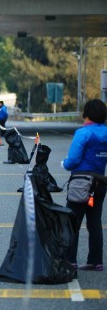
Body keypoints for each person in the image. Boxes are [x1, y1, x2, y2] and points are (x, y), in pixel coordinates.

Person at [63, 99, 107, 271]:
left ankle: (70, 260)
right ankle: (95, 261)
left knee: (72, 220)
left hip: (81, 183)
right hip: (99, 183)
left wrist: (64, 163)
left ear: (86, 114)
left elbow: (73, 160)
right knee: (94, 222)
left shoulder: (83, 133)